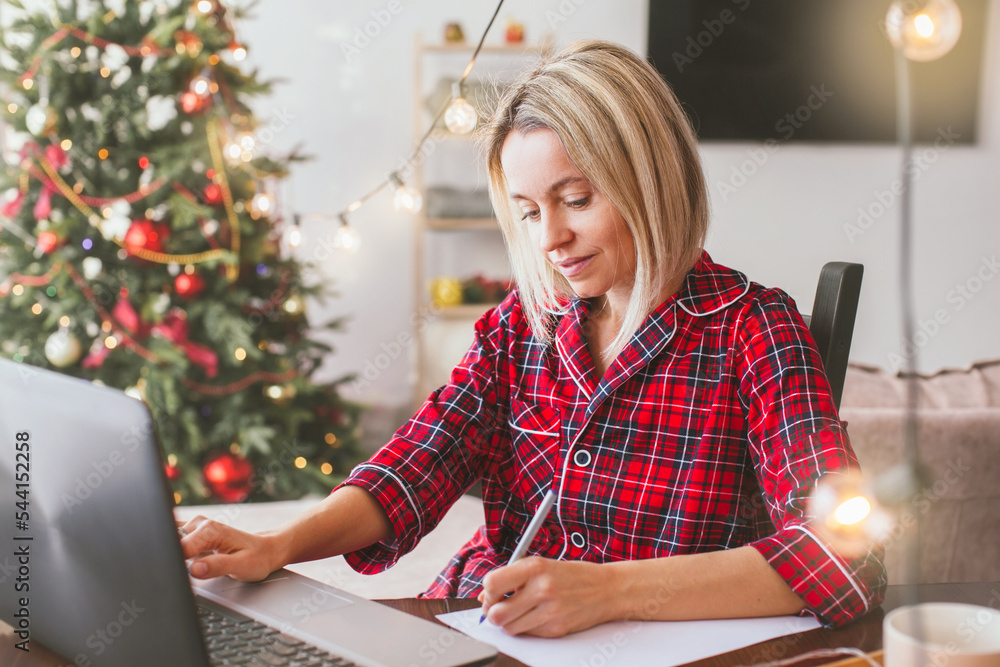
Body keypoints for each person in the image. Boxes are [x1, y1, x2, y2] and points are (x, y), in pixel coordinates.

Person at [179, 40, 885, 638]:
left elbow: (844, 556)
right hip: (486, 628)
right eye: (528, 212)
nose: (551, 239)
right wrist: (280, 544)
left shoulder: (752, 329)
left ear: (651, 176)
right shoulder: (526, 321)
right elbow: (415, 465)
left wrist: (607, 591)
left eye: (577, 200)